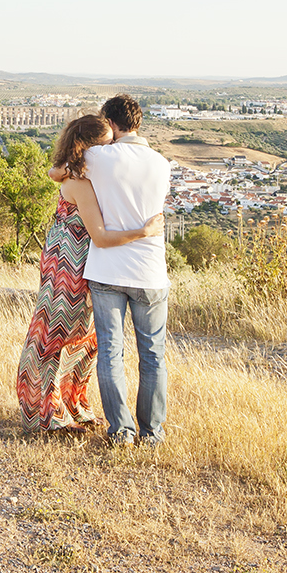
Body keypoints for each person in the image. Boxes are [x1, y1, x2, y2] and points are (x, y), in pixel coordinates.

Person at [17, 114, 164, 435]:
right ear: (92, 148)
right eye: (109, 145)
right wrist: (145, 231)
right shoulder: (81, 183)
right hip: (72, 262)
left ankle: (75, 405)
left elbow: (55, 171)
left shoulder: (78, 173)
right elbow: (99, 235)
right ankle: (47, 414)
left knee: (87, 338)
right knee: (58, 334)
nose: (114, 152)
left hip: (82, 259)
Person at [81, 94, 172, 449]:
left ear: (111, 124)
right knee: (152, 355)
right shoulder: (161, 163)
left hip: (106, 269)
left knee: (111, 352)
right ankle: (152, 434)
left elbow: (58, 170)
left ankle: (121, 431)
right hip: (149, 269)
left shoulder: (97, 157)